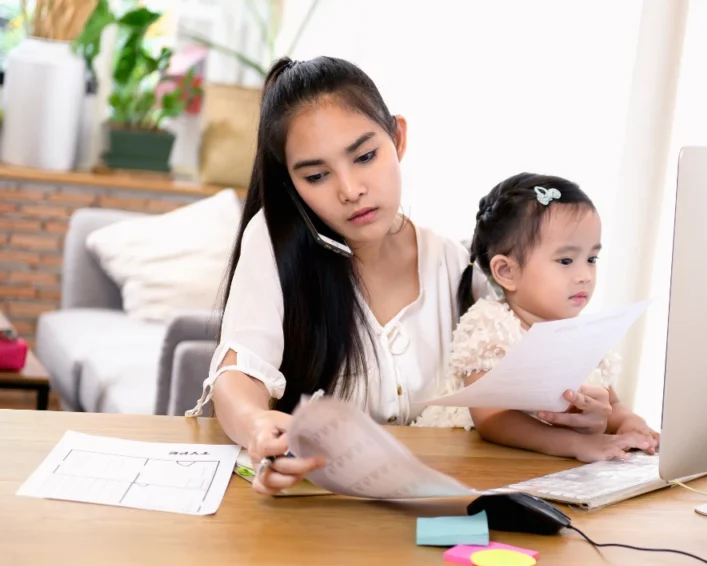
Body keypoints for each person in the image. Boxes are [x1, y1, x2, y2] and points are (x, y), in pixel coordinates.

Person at [185, 57, 638, 495]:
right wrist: (256, 424)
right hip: (314, 514)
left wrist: (590, 411)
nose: (349, 189)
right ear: (291, 184)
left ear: (398, 138)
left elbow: (536, 363)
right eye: (317, 175)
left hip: (439, 510)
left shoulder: (456, 265)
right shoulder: (274, 241)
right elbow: (239, 373)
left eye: (364, 156)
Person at [412, 173, 661, 462]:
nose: (584, 276)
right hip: (466, 464)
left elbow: (611, 402)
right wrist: (575, 444)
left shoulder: (584, 334)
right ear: (507, 271)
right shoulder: (491, 325)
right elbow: (492, 419)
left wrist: (627, 422)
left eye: (592, 259)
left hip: (537, 467)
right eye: (566, 261)